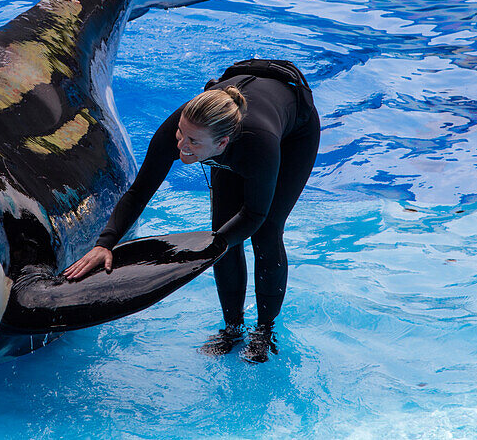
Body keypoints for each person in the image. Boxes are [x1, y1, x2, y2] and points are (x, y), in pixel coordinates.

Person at [63, 59, 320, 363]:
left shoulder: (258, 145)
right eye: (181, 135)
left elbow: (254, 215)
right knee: (222, 228)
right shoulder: (185, 129)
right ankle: (232, 330)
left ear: (222, 142)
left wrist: (206, 250)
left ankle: (264, 331)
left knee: (265, 232)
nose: (182, 146)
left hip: (294, 132)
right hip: (228, 120)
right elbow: (138, 191)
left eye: (192, 142)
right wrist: (105, 243)